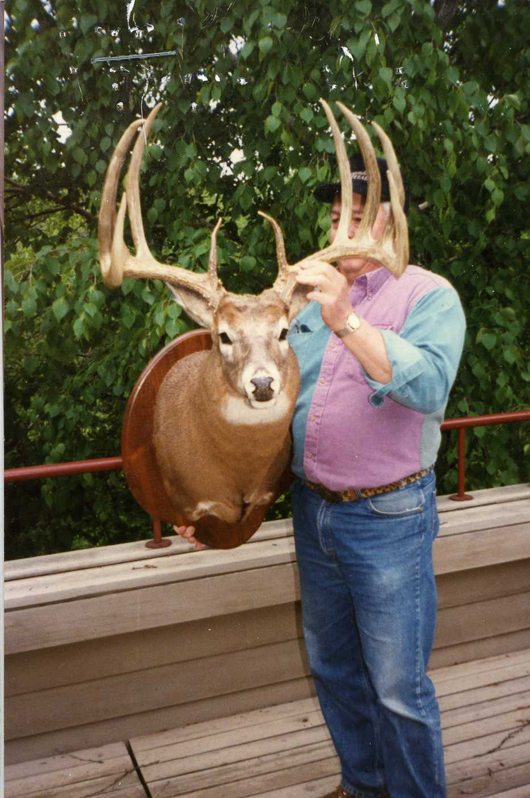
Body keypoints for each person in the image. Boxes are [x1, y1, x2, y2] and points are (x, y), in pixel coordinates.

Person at [176, 152, 466, 798]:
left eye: (357, 213)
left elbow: (427, 383)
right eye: (336, 212)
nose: (340, 225)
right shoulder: (303, 302)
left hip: (389, 520)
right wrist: (218, 506)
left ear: (393, 222)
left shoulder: (428, 296)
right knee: (334, 669)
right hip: (315, 514)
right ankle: (363, 786)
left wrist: (345, 319)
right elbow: (273, 414)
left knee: (397, 688)